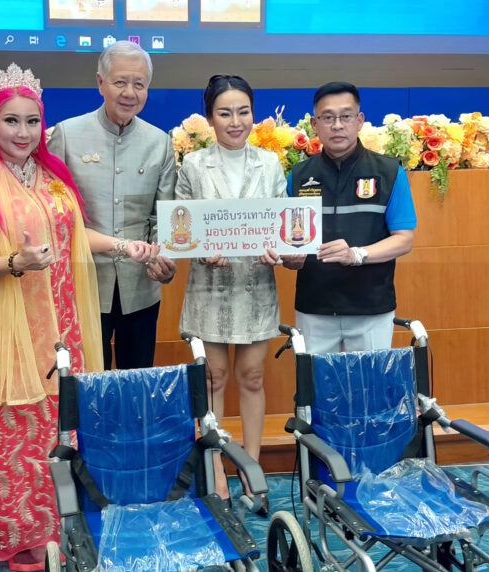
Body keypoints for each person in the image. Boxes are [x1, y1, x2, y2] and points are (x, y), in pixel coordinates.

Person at [0, 64, 153, 570]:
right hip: (5, 326)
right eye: (11, 121)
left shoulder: (52, 177)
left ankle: (56, 529)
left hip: (59, 323)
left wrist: (126, 247)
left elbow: (76, 235)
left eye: (33, 121)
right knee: (10, 428)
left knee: (55, 426)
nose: (24, 132)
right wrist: (14, 263)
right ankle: (11, 537)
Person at [177, 74, 286, 516]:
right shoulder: (193, 165)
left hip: (256, 285)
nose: (235, 121)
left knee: (253, 377)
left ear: (253, 114)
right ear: (210, 118)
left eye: (243, 111)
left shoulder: (270, 164)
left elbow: (284, 222)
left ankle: (252, 470)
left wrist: (279, 247)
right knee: (214, 378)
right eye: (225, 113)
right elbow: (180, 228)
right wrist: (200, 249)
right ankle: (217, 472)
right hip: (210, 288)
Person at [49, 40, 177, 370]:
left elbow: (161, 216)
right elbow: (54, 216)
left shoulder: (160, 143)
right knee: (87, 381)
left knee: (138, 380)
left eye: (139, 84)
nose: (129, 93)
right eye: (120, 82)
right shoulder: (67, 135)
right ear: (100, 82)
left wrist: (164, 258)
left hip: (140, 286)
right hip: (84, 283)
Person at [263, 81, 417, 353]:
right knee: (317, 381)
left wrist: (356, 254)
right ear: (314, 124)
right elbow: (287, 243)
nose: (337, 125)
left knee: (369, 381)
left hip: (371, 308)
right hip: (315, 307)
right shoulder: (298, 176)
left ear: (359, 120)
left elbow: (404, 239)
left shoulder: (389, 172)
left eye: (346, 116)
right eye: (328, 118)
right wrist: (289, 258)